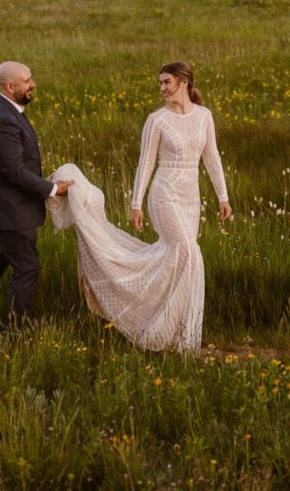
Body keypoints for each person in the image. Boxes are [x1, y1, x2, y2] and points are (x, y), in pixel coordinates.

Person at [47, 61, 231, 352]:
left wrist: (223, 196)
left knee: (180, 260)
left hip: (190, 198)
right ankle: (156, 331)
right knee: (189, 252)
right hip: (165, 194)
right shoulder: (156, 120)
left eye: (167, 83)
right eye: (160, 83)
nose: (162, 89)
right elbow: (146, 163)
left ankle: (176, 332)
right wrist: (136, 203)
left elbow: (212, 157)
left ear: (184, 82)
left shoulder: (204, 116)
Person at [0, 61, 73, 341]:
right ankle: (14, 336)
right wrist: (52, 188)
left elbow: (16, 167)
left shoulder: (7, 110)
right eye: (27, 81)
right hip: (10, 211)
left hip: (3, 209)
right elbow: (14, 171)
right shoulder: (4, 119)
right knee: (26, 268)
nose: (32, 84)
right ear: (11, 87)